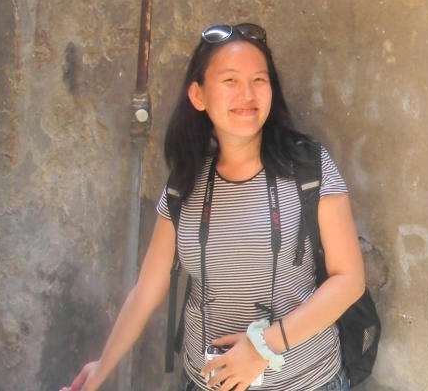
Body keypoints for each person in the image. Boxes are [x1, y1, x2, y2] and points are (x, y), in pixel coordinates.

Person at [60, 22, 365, 391]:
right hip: (205, 382)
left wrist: (263, 347)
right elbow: (147, 289)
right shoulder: (185, 182)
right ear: (198, 95)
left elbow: (349, 280)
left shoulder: (309, 169)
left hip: (307, 381)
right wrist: (101, 367)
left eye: (259, 79)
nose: (247, 94)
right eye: (230, 80)